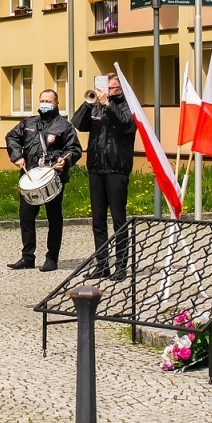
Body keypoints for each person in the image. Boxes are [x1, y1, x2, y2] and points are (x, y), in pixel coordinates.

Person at [5, 89, 82, 272]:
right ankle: (27, 257)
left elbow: (74, 149)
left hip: (53, 177)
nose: (45, 104)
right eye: (42, 101)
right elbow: (11, 137)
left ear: (56, 103)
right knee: (26, 217)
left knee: (54, 218)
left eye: (48, 101)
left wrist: (65, 161)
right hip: (31, 177)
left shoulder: (64, 126)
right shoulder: (29, 123)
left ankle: (52, 258)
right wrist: (17, 156)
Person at [72, 73, 136, 279]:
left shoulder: (127, 105)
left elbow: (126, 123)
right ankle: (102, 265)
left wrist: (108, 104)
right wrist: (88, 104)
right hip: (96, 168)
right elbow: (77, 123)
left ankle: (121, 266)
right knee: (98, 221)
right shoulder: (96, 107)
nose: (106, 92)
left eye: (111, 89)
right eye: (104, 88)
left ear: (119, 89)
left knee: (119, 220)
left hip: (116, 169)